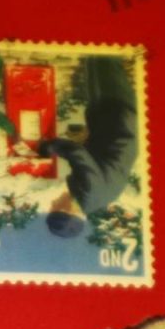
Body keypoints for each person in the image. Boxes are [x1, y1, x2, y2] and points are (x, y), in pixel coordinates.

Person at [42, 55, 138, 239]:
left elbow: (95, 160)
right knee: (104, 60)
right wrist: (47, 147)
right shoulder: (89, 191)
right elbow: (76, 152)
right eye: (53, 207)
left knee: (95, 64)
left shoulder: (93, 200)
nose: (53, 202)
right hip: (118, 117)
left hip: (112, 121)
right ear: (67, 211)